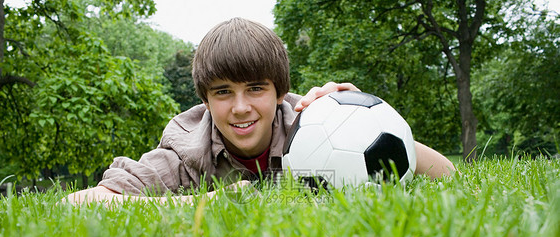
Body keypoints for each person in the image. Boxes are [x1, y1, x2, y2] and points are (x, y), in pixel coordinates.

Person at [66, 18, 455, 205]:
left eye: (255, 88)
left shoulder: (314, 124)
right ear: (204, 100)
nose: (240, 108)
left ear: (280, 92)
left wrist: (366, 121)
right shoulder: (186, 151)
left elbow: (448, 175)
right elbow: (78, 203)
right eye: (223, 92)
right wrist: (202, 203)